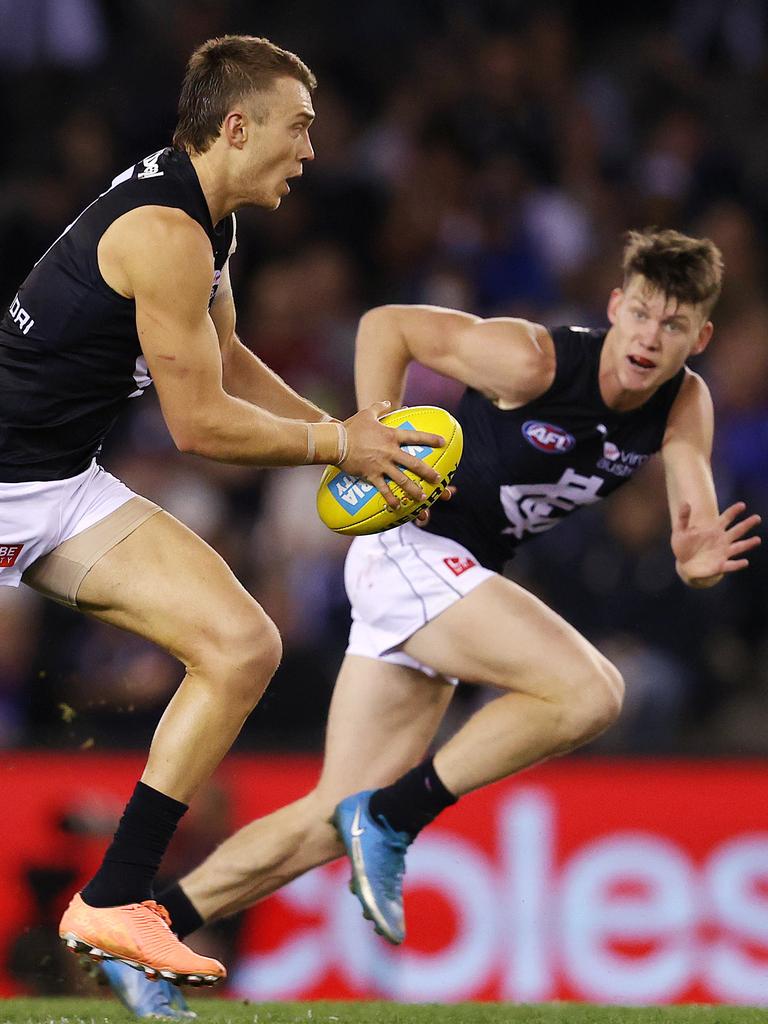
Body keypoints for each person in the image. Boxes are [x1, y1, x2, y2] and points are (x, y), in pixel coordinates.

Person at [97, 228, 761, 1019]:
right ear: (616, 305)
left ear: (700, 338)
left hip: (447, 581)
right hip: (412, 548)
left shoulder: (685, 401)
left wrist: (692, 554)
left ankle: (142, 936)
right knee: (592, 694)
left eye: (674, 326)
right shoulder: (534, 360)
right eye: (643, 314)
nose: (652, 338)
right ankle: (394, 817)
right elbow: (389, 325)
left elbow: (692, 496)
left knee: (322, 820)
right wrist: (374, 433)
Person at [0, 34, 446, 988]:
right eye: (300, 127)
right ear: (237, 128)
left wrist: (350, 440)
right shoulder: (166, 233)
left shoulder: (205, 217)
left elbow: (230, 361)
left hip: (56, 486)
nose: (312, 150)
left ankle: (116, 899)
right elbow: (198, 423)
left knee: (243, 646)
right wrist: (342, 448)